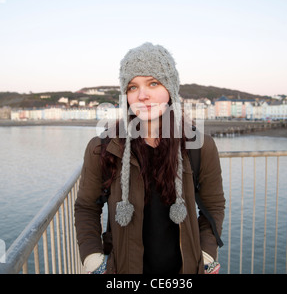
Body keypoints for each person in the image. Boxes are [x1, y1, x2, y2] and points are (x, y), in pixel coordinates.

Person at [74, 42, 225, 274]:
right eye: (133, 87)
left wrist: (205, 255)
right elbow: (86, 206)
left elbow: (212, 206)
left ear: (171, 89)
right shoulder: (103, 147)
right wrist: (94, 261)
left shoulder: (199, 146)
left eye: (153, 83)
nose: (142, 95)